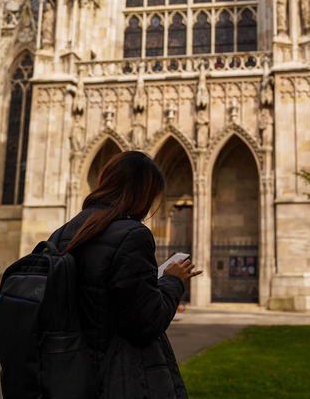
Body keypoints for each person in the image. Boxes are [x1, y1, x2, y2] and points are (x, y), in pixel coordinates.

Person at [53, 151, 201, 398]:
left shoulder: (65, 232)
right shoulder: (132, 235)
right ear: (141, 193)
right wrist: (173, 280)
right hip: (118, 375)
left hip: (70, 368)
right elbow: (147, 322)